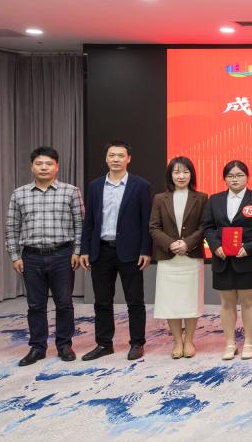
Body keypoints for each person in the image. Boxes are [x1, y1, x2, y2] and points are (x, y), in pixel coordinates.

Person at [5, 147, 84, 366]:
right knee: (35, 305)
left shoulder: (71, 191)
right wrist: (15, 256)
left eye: (49, 164)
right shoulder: (19, 194)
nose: (44, 168)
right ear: (32, 167)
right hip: (31, 257)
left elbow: (80, 224)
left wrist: (77, 251)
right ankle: (37, 347)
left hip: (62, 255)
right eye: (39, 164)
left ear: (57, 167)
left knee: (64, 303)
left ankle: (64, 345)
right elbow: (12, 227)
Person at [79, 141, 152, 361]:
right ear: (106, 158)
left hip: (131, 252)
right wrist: (84, 249)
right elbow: (89, 221)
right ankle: (104, 344)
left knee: (135, 301)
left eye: (121, 155)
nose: (116, 159)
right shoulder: (95, 186)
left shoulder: (140, 186)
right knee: (102, 301)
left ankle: (137, 343)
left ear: (128, 159)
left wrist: (146, 250)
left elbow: (146, 221)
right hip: (101, 251)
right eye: (112, 155)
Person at [201, 160, 252, 360]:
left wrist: (248, 248)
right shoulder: (215, 199)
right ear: (224, 179)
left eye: (239, 175)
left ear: (247, 177)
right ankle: (230, 343)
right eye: (230, 176)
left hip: (247, 258)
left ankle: (248, 343)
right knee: (226, 302)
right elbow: (208, 227)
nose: (235, 179)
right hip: (222, 258)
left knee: (248, 301)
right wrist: (216, 246)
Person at [149, 157, 208, 359]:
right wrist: (170, 244)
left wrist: (187, 243)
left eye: (185, 172)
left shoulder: (201, 198)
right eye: (176, 172)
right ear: (170, 175)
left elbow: (204, 226)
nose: (181, 176)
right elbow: (154, 227)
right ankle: (177, 342)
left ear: (191, 174)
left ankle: (189, 340)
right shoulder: (160, 198)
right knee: (171, 301)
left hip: (191, 257)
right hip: (168, 257)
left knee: (191, 301)